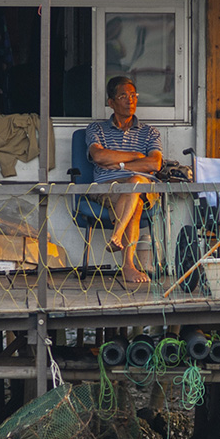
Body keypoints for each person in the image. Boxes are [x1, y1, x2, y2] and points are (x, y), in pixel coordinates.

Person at [85, 76, 163, 284]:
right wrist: (137, 157)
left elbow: (154, 164)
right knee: (134, 202)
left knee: (135, 182)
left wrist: (120, 165)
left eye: (133, 95)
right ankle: (128, 265)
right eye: (123, 96)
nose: (130, 100)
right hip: (106, 186)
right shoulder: (96, 129)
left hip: (143, 184)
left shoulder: (150, 133)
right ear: (111, 103)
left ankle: (117, 235)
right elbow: (99, 156)